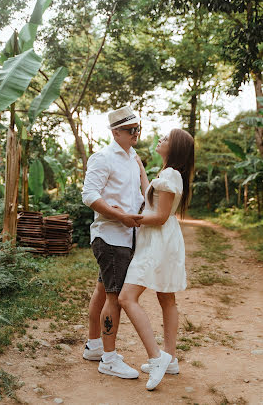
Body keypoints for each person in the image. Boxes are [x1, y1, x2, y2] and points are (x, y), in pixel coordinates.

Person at [118, 128, 195, 390]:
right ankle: (170, 358)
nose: (160, 140)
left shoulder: (171, 174)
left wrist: (128, 218)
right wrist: (140, 166)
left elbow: (159, 216)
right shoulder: (168, 174)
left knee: (126, 297)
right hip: (163, 240)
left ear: (175, 149)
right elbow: (150, 198)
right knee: (166, 297)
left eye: (166, 139)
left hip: (158, 243)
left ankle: (157, 356)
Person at [82, 105, 144, 379]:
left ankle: (94, 345)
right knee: (114, 297)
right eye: (132, 130)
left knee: (102, 291)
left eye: (138, 129)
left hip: (126, 236)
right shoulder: (103, 157)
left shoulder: (133, 158)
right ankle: (108, 358)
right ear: (116, 131)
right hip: (111, 236)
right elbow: (89, 195)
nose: (137, 134)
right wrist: (119, 216)